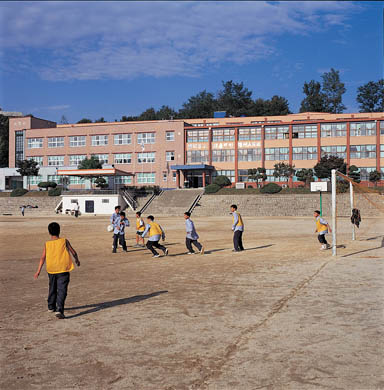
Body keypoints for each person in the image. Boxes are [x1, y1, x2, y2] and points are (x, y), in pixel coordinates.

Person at [34, 222, 80, 319]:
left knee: (52, 287)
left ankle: (51, 306)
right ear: (59, 231)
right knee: (62, 289)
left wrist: (38, 271)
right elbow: (73, 252)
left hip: (51, 269)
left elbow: (43, 257)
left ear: (49, 232)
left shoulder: (47, 244)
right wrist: (77, 260)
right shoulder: (64, 241)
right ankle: (59, 309)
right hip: (63, 268)